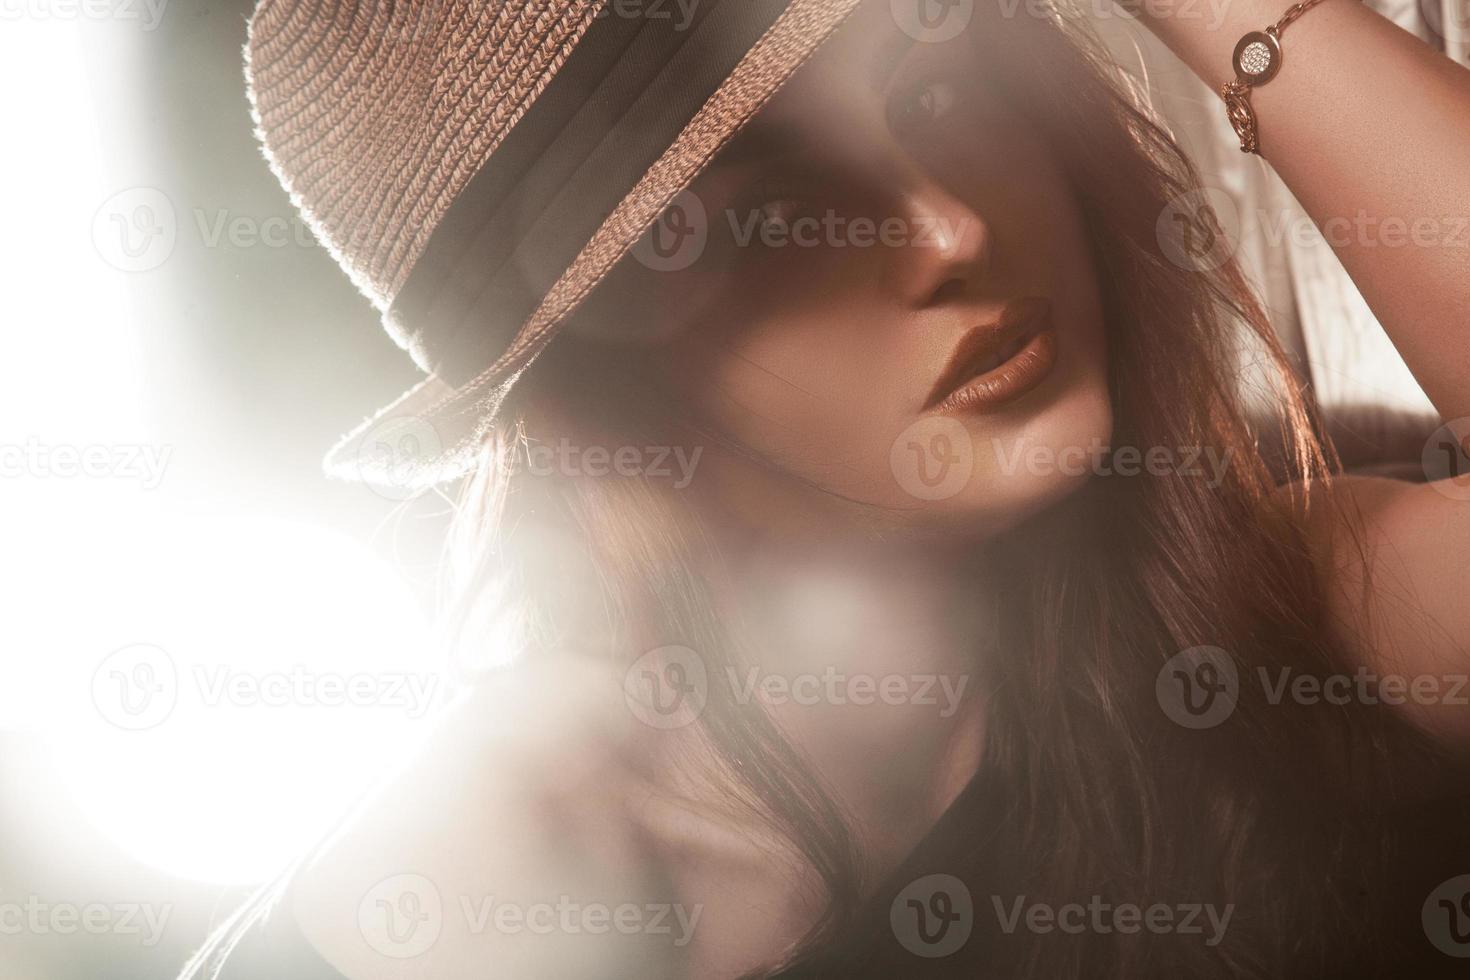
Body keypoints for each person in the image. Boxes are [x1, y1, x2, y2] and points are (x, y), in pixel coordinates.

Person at [183, 0, 1470, 976]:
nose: (950, 227)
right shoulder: (500, 868)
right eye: (774, 214)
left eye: (937, 92)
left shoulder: (1252, 610)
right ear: (605, 393)